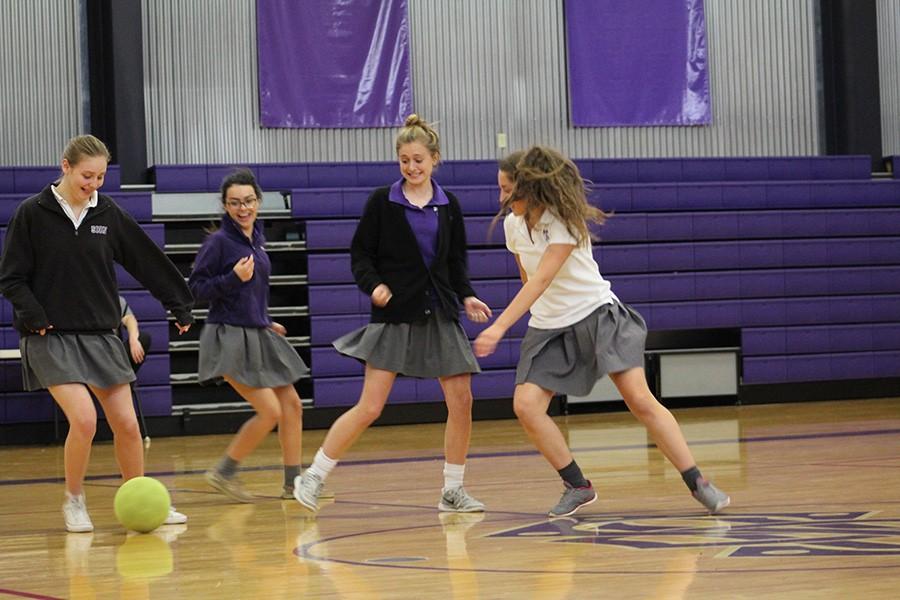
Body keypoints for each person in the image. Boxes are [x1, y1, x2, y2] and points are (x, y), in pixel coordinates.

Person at [474, 146, 730, 517]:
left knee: (640, 400)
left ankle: (697, 482)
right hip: (549, 326)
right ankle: (577, 485)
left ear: (530, 188)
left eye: (507, 189)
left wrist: (498, 327)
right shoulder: (514, 227)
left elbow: (542, 278)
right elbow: (527, 277)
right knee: (526, 406)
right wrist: (530, 317)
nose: (501, 198)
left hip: (596, 315)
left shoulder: (562, 222)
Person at [293, 114, 492, 514]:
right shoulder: (382, 202)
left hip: (439, 312)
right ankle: (313, 475)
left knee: (462, 400)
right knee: (370, 407)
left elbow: (455, 263)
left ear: (435, 159)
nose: (411, 167)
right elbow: (360, 254)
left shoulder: (448, 205)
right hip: (394, 316)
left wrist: (466, 296)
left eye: (418, 159)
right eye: (404, 160)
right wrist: (374, 285)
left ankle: (453, 489)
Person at [0, 134, 194, 532]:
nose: (94, 184)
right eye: (87, 175)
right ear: (66, 166)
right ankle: (74, 500)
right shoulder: (31, 213)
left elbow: (147, 261)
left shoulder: (108, 213)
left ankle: (141, 501)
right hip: (49, 337)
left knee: (126, 424)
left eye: (101, 177)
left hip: (101, 335)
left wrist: (178, 302)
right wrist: (34, 315)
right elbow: (12, 278)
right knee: (85, 420)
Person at [190, 168, 310, 502]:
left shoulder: (256, 238)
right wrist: (231, 277)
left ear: (258, 201)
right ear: (225, 206)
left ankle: (293, 484)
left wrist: (265, 320)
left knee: (293, 406)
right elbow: (195, 289)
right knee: (270, 411)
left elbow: (254, 292)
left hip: (257, 331)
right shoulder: (218, 242)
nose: (243, 208)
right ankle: (223, 471)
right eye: (235, 203)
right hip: (228, 336)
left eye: (248, 201)